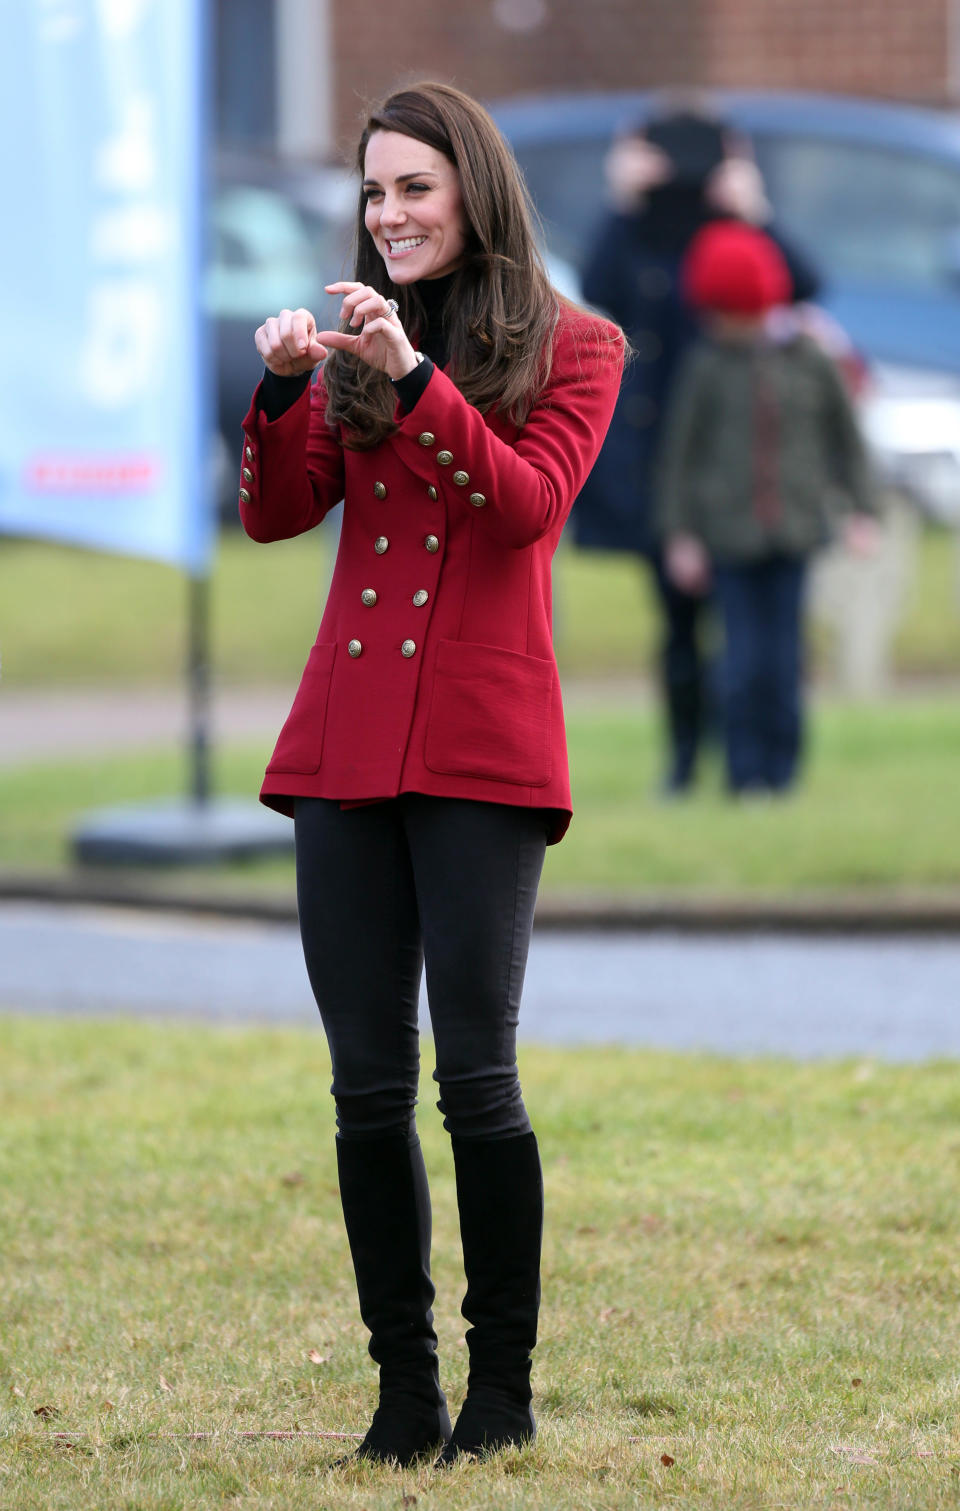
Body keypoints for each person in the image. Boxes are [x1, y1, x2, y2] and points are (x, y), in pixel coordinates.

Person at [238, 82, 624, 1467]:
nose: (389, 215)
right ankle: (404, 1393)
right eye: (375, 192)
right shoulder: (355, 342)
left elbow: (525, 506)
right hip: (344, 744)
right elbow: (281, 512)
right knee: (362, 1086)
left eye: (415, 187)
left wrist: (413, 375)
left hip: (480, 750)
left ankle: (500, 1392)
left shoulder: (578, 344)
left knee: (478, 1078)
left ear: (474, 187)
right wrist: (289, 382)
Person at [576, 99, 820, 795]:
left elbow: (801, 286)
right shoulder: (635, 230)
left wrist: (753, 210)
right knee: (680, 631)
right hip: (662, 462)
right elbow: (596, 293)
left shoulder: (733, 223)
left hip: (742, 462)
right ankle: (684, 762)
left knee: (754, 631)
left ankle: (759, 770)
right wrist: (621, 203)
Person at [657, 221, 877, 795]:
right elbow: (680, 455)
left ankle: (783, 773)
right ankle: (743, 772)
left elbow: (847, 441)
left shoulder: (811, 359)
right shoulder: (707, 366)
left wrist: (862, 510)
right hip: (729, 538)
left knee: (785, 661)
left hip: (796, 534)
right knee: (740, 662)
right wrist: (681, 534)